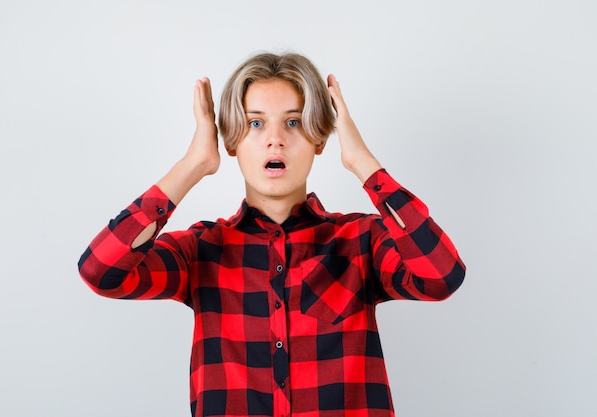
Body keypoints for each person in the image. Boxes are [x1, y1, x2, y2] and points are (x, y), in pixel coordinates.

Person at [78, 51, 466, 417]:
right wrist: (194, 164)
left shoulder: (361, 241)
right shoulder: (200, 250)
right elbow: (101, 272)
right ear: (232, 141)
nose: (275, 138)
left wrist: (362, 163)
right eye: (255, 122)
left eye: (293, 122)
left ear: (319, 139)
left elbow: (442, 276)